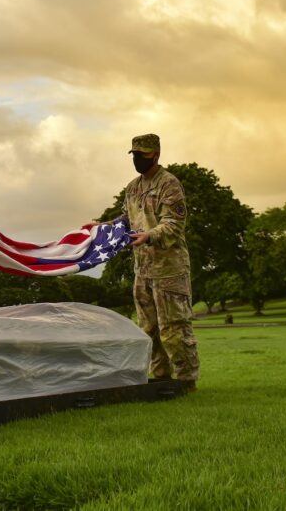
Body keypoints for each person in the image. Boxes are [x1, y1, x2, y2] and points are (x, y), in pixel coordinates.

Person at [121, 133, 200, 392]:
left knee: (174, 330)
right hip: (142, 271)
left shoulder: (169, 184)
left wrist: (149, 235)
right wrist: (100, 228)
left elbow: (174, 225)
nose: (137, 160)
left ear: (155, 154)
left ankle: (187, 382)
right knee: (148, 331)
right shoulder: (133, 188)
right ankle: (162, 381)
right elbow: (125, 222)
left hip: (169, 270)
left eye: (142, 155)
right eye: (134, 155)